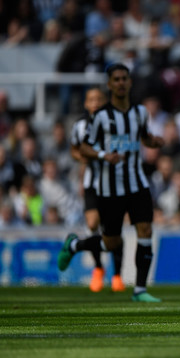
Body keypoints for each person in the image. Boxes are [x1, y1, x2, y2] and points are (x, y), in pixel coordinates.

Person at [57, 63, 165, 302]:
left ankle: (140, 290)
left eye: (124, 78)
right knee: (110, 243)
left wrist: (153, 142)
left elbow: (144, 136)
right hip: (109, 189)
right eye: (115, 79)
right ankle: (75, 245)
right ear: (109, 84)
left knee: (145, 230)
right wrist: (105, 155)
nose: (120, 83)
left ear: (129, 82)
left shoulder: (139, 112)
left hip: (137, 184)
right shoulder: (101, 117)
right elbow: (84, 146)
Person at [69, 87, 124, 293]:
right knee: (92, 224)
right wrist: (82, 157)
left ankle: (117, 274)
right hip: (92, 182)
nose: (95, 103)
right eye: (91, 99)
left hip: (114, 183)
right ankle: (99, 268)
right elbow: (74, 149)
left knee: (114, 230)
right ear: (86, 103)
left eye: (99, 99)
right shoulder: (80, 126)